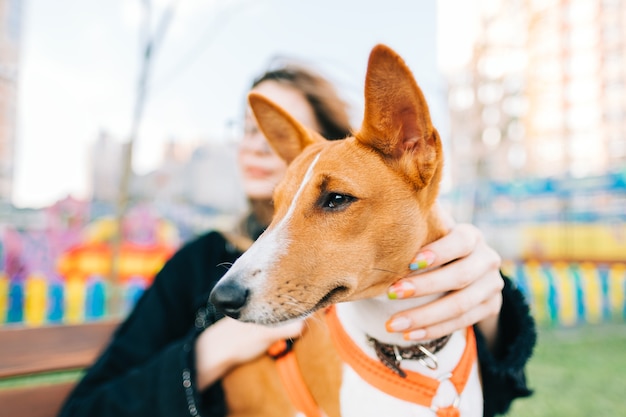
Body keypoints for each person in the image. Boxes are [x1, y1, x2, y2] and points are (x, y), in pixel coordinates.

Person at [58, 61, 535, 417]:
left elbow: (487, 396)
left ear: (327, 141)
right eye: (247, 130)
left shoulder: (396, 228)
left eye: (333, 199)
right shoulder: (199, 263)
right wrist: (209, 350)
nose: (260, 143)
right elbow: (88, 407)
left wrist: (489, 312)